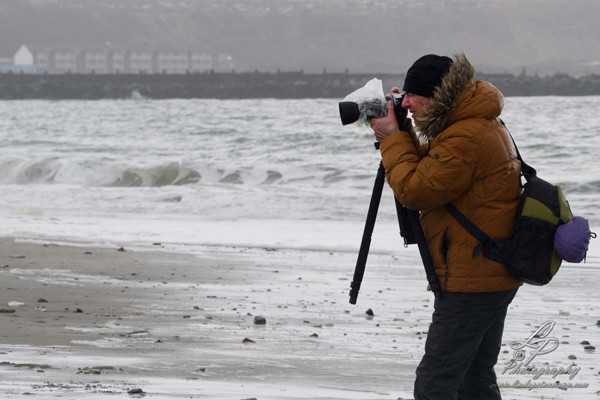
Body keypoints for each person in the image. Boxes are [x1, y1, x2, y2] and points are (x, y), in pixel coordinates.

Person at [369, 53, 523, 399]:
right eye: (403, 96)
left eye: (412, 95)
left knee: (435, 382)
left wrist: (392, 138)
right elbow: (436, 174)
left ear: (436, 94)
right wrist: (404, 129)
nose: (405, 102)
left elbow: (415, 190)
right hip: (489, 269)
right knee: (474, 377)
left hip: (474, 276)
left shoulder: (465, 135)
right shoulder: (471, 124)